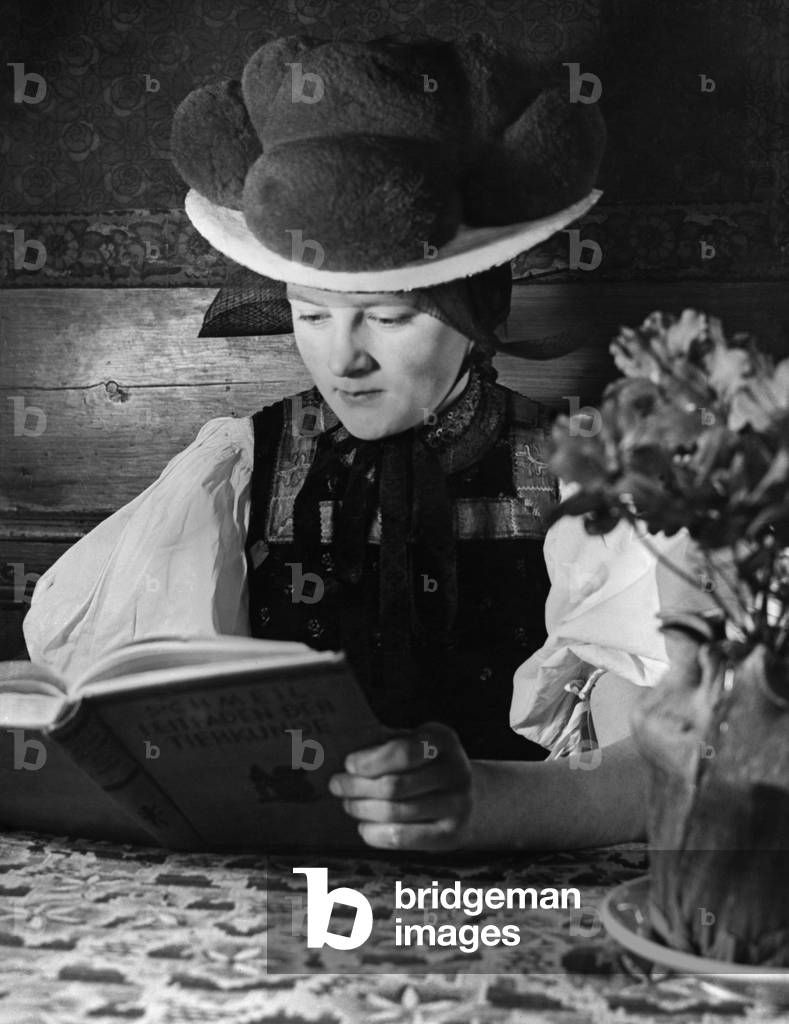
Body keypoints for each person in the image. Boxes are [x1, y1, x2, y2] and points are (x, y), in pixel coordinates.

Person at [22, 32, 689, 851]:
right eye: (311, 314)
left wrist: (489, 803)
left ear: (474, 313)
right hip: (279, 892)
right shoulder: (240, 464)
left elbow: (649, 773)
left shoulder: (582, 476)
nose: (344, 357)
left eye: (391, 316)